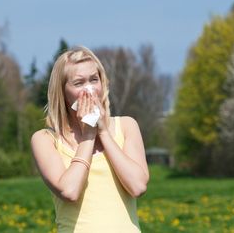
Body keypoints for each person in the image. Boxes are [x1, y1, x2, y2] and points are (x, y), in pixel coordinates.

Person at [31, 46, 149, 233]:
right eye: (79, 83)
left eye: (94, 80)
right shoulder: (45, 139)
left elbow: (138, 186)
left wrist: (102, 132)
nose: (90, 90)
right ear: (62, 92)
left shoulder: (126, 126)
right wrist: (88, 136)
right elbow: (70, 191)